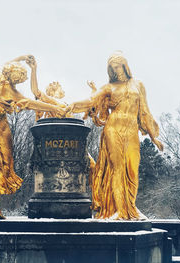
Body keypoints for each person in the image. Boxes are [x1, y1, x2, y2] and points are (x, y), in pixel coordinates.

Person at [65, 52, 163, 220]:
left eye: (118, 66)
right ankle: (119, 210)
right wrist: (74, 105)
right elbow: (91, 100)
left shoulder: (138, 85)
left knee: (132, 170)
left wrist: (154, 137)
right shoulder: (108, 87)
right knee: (117, 169)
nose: (115, 70)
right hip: (113, 129)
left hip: (131, 130)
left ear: (125, 65)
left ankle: (131, 207)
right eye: (112, 68)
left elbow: (145, 111)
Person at [0, 56, 64, 219]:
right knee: (5, 164)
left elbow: (6, 63)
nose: (18, 82)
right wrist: (55, 108)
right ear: (13, 75)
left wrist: (22, 58)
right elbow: (32, 103)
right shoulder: (12, 91)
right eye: (18, 79)